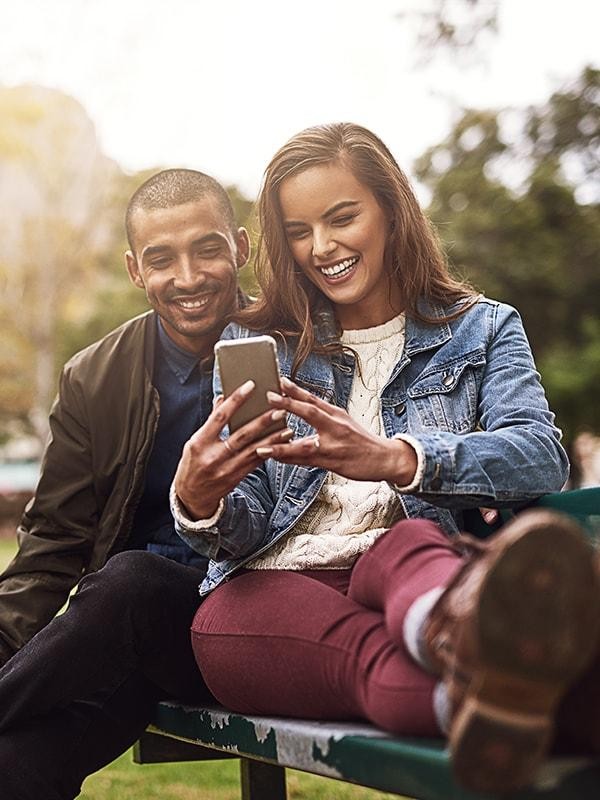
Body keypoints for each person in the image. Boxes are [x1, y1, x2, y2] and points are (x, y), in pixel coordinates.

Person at [172, 123, 600, 794]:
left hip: (415, 570)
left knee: (406, 541)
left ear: (392, 210)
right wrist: (203, 501)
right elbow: (247, 519)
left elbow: (540, 455)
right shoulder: (264, 346)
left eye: (342, 217)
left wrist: (401, 459)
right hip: (278, 596)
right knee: (230, 625)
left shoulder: (482, 328)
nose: (322, 248)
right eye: (299, 231)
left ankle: (459, 642)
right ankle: (502, 676)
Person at [0, 168, 266, 799]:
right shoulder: (94, 378)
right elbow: (52, 545)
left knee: (131, 579)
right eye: (161, 259)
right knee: (15, 767)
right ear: (133, 271)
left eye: (207, 249)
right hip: (133, 642)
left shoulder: (299, 344)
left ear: (242, 248)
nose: (189, 277)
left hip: (253, 628)